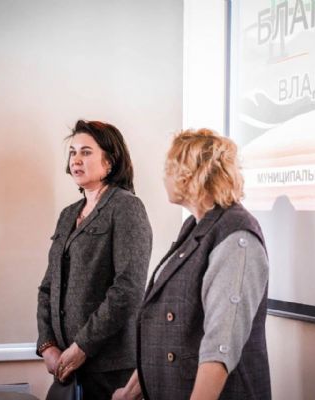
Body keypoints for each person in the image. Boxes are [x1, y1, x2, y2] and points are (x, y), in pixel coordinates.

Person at [113, 129, 271, 400]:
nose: (164, 177)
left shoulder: (237, 236)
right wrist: (129, 393)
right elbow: (168, 331)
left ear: (190, 173)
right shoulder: (194, 226)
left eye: (169, 168)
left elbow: (219, 348)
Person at [36, 120, 152, 399]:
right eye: (73, 152)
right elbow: (48, 287)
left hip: (110, 369)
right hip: (67, 367)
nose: (76, 160)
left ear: (109, 161)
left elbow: (128, 289)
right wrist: (47, 345)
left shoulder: (126, 207)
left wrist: (82, 347)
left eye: (86, 152)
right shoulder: (68, 214)